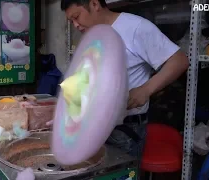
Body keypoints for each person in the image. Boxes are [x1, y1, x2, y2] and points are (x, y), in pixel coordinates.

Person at [59, 0, 189, 160]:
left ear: (94, 4)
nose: (76, 25)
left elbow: (179, 60)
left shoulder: (135, 28)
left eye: (77, 17)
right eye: (71, 21)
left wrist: (146, 90)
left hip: (125, 131)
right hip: (93, 128)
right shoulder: (91, 36)